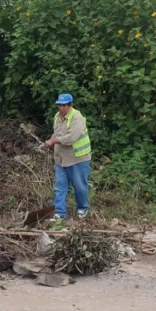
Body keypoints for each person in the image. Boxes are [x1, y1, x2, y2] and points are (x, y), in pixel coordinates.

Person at [45, 93, 92, 221]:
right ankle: (60, 213)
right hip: (60, 158)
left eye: (64, 105)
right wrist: (50, 140)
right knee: (60, 187)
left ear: (70, 105)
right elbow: (57, 133)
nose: (61, 108)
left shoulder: (77, 117)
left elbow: (71, 138)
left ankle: (82, 209)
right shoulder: (57, 116)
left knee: (79, 186)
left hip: (77, 159)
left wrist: (53, 141)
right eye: (59, 105)